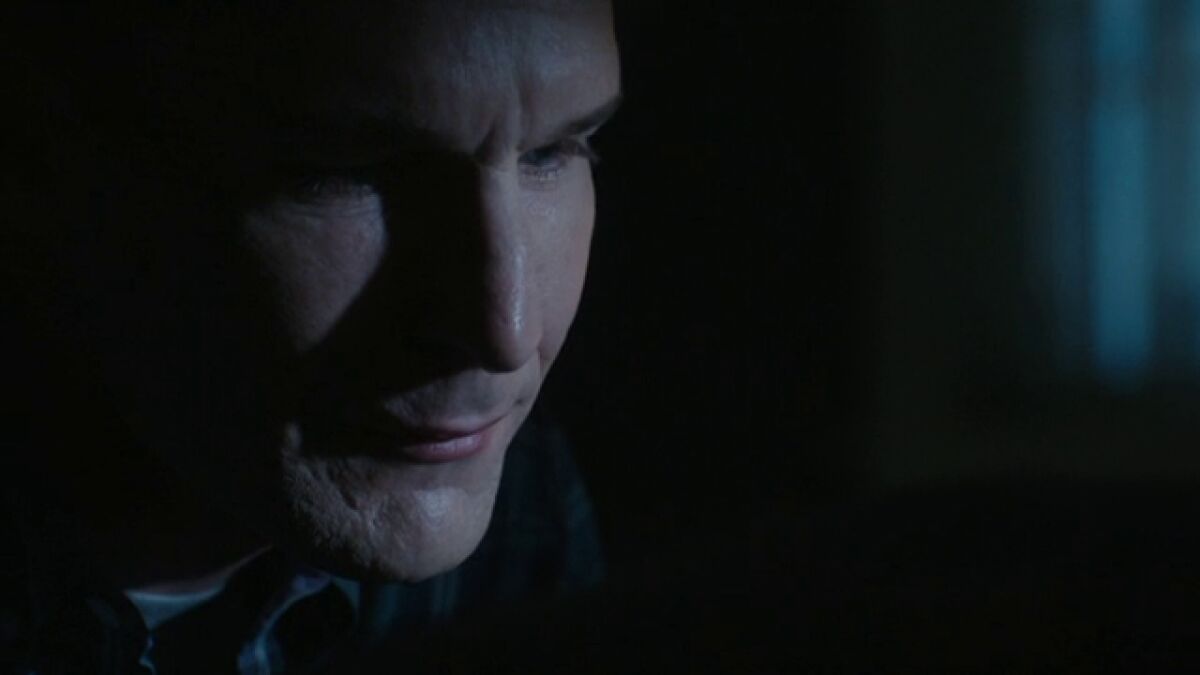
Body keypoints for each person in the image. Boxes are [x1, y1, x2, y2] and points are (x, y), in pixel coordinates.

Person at [1, 0, 622, 672]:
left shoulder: (521, 509)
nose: (506, 334)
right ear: (39, 160)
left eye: (553, 152)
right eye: (347, 172)